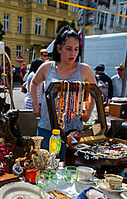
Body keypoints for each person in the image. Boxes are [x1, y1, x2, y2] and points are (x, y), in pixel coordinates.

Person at [30, 26, 97, 161]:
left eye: (76, 49)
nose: (73, 53)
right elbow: (34, 83)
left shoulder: (84, 70)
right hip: (47, 127)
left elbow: (95, 92)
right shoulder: (47, 67)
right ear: (59, 48)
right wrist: (35, 105)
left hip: (71, 129)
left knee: (69, 165)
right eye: (68, 49)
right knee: (44, 163)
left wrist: (88, 112)